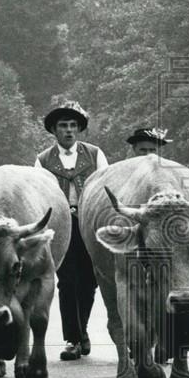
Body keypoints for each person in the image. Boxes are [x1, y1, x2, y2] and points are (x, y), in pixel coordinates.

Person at [34, 99, 108, 361]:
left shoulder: (95, 154)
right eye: (63, 125)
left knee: (89, 281)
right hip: (62, 225)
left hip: (89, 222)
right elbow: (40, 194)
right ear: (54, 130)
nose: (68, 130)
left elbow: (104, 188)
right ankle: (72, 338)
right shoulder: (43, 160)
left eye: (73, 125)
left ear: (79, 129)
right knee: (66, 281)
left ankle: (82, 330)